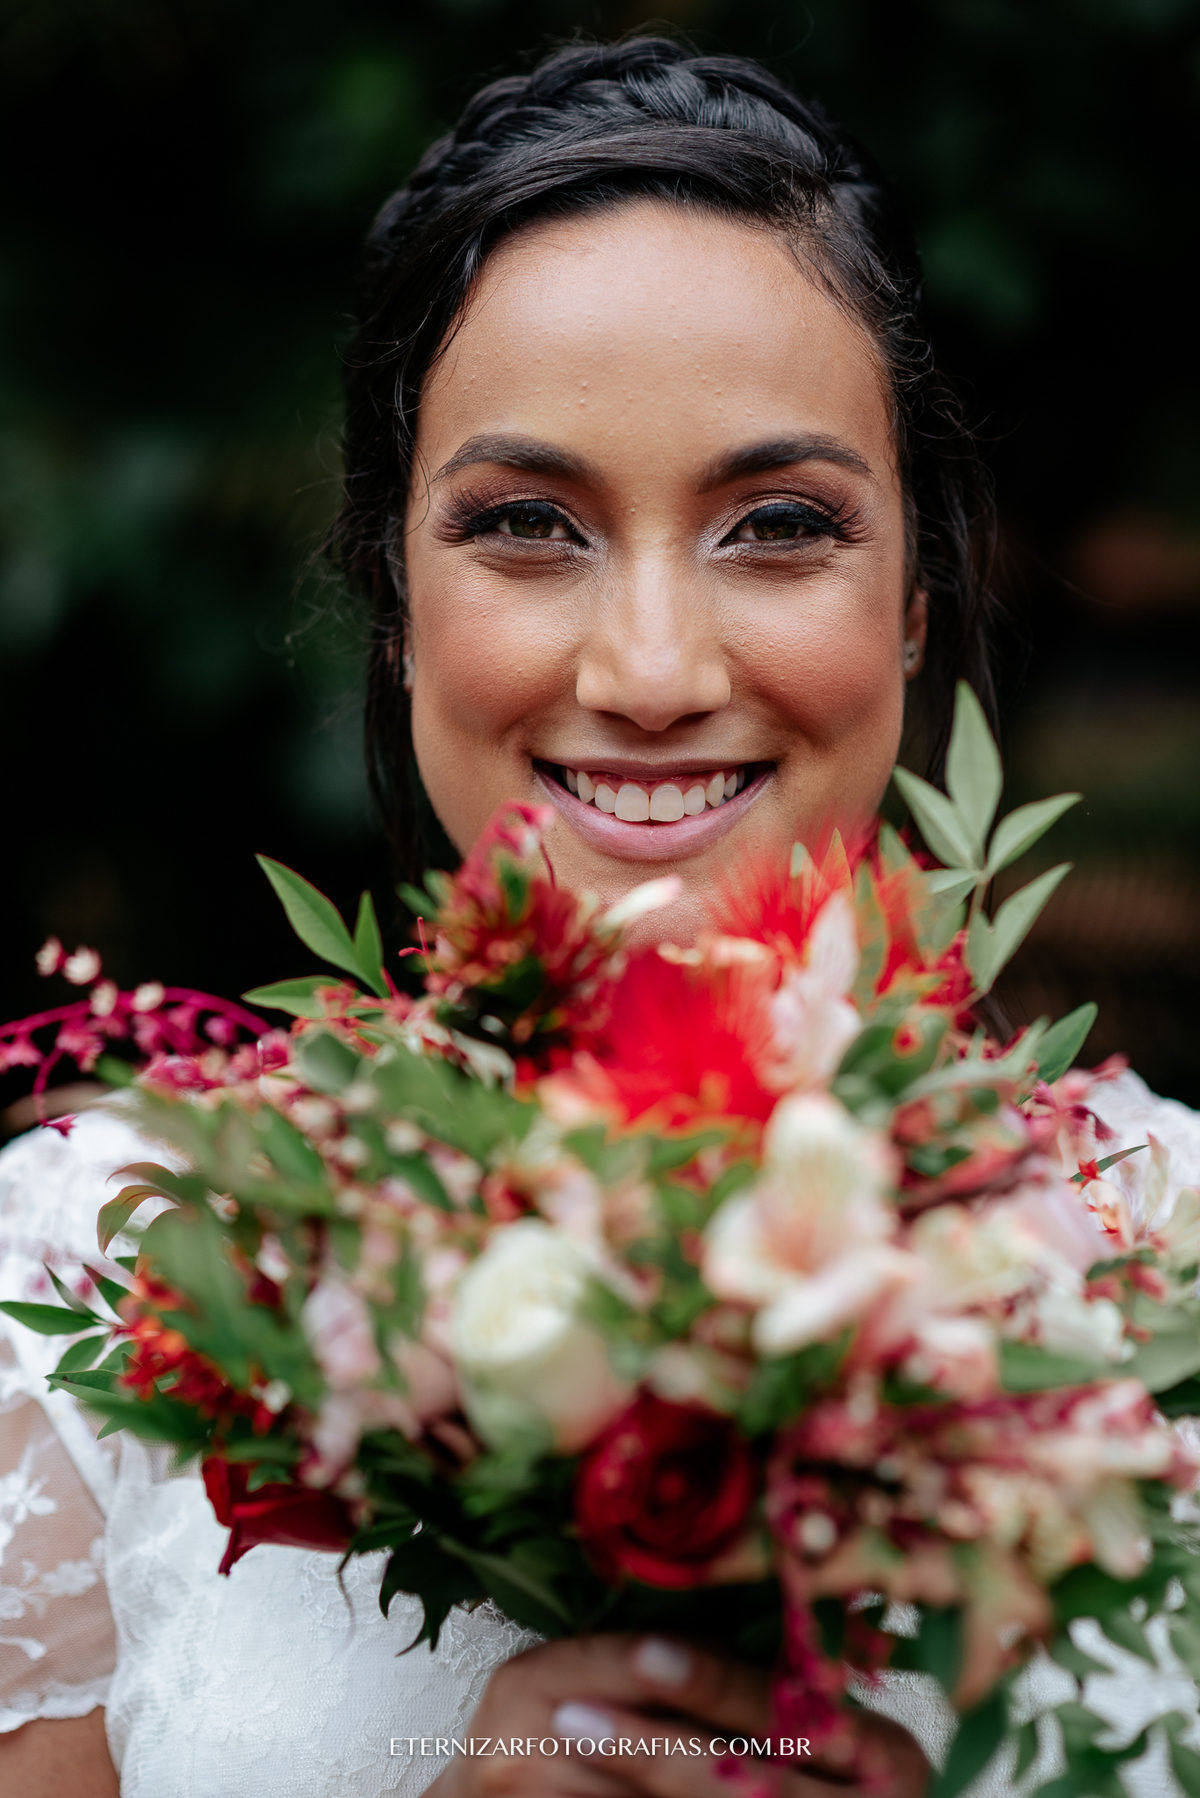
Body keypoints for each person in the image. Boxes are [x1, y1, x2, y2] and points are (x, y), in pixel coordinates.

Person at [3, 37, 1198, 1798]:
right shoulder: (95, 1277)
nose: (650, 671)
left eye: (778, 525)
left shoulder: (1172, 1270)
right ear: (397, 599)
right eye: (528, 524)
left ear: (921, 598)